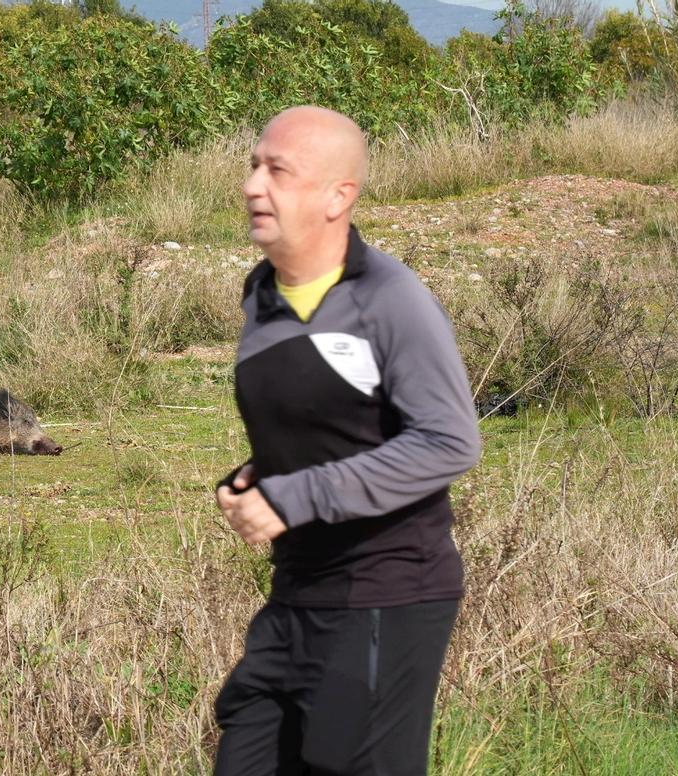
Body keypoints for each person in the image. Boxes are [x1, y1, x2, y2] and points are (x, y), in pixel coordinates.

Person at [212, 105, 481, 775]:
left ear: (339, 196)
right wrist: (259, 477)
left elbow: (449, 441)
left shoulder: (389, 298)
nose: (253, 185)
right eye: (253, 166)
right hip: (297, 591)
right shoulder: (260, 295)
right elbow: (334, 424)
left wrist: (295, 494)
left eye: (278, 170)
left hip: (387, 594)